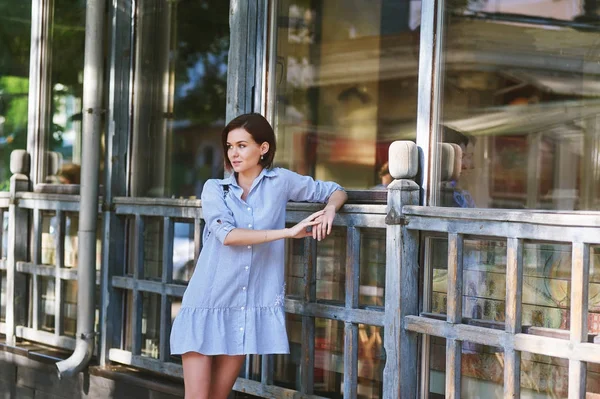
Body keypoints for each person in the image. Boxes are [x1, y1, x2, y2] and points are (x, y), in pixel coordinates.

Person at [169, 113, 347, 399]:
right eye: (229, 146)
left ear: (263, 148)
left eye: (242, 145)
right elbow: (228, 236)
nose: (233, 153)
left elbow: (336, 190)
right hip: (206, 305)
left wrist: (329, 210)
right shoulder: (216, 189)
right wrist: (288, 233)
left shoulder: (282, 182)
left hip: (243, 310)